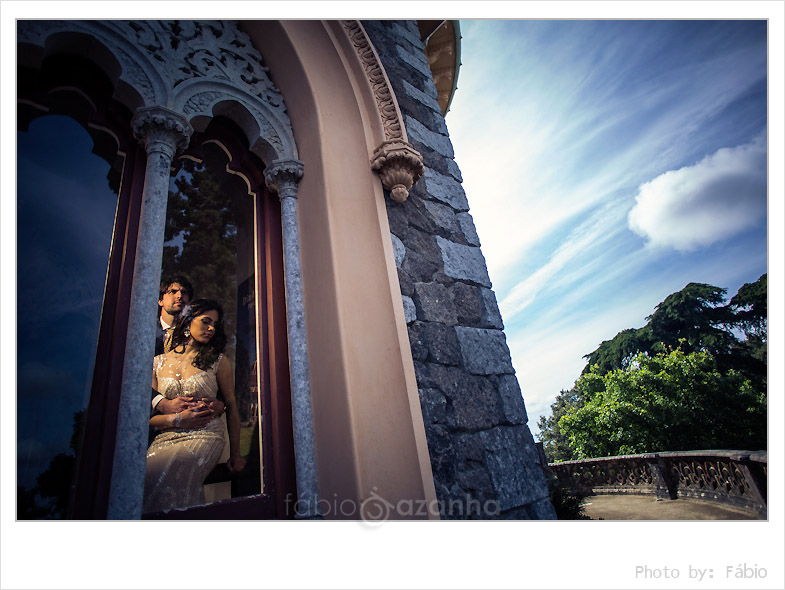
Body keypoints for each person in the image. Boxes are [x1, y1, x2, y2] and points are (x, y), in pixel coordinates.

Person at [143, 299, 246, 513]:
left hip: (204, 435)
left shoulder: (218, 360)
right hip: (165, 437)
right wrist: (177, 419)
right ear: (188, 320)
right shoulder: (157, 363)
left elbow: (232, 406)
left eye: (215, 325)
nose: (211, 328)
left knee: (175, 468)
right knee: (143, 475)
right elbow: (148, 419)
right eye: (206, 321)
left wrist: (235, 454)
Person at [152, 275, 224, 418]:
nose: (179, 296)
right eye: (172, 292)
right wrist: (160, 403)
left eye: (184, 293)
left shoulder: (198, 337)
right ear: (160, 300)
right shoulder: (145, 335)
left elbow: (215, 374)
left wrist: (221, 404)